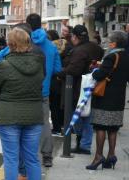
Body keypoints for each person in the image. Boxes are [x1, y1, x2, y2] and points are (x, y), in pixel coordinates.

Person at [0, 27, 45, 180]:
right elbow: (42, 80)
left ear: (10, 44)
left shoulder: (4, 64)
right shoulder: (39, 62)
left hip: (9, 116)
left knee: (11, 159)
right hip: (34, 115)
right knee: (32, 159)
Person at [59, 24, 104, 154]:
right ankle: (84, 144)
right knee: (88, 116)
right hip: (93, 85)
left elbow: (74, 70)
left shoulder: (79, 50)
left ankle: (83, 144)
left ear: (75, 37)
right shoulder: (96, 48)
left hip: (79, 87)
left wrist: (59, 73)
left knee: (78, 115)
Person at [87, 31, 129, 170]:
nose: (108, 43)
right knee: (113, 128)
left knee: (100, 126)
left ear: (114, 43)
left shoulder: (112, 56)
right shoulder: (126, 56)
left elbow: (100, 75)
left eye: (110, 41)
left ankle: (98, 156)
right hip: (119, 98)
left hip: (105, 97)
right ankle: (111, 155)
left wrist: (94, 70)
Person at [26, 14, 62, 168]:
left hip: (25, 91)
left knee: (24, 125)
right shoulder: (51, 46)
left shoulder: (24, 42)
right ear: (40, 24)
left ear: (28, 25)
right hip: (43, 90)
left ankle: (27, 158)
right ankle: (47, 156)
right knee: (45, 123)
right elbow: (57, 69)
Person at [46, 30, 65, 136]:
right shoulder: (66, 46)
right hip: (63, 80)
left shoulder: (50, 48)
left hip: (53, 81)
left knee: (54, 106)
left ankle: (56, 128)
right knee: (60, 105)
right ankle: (61, 125)